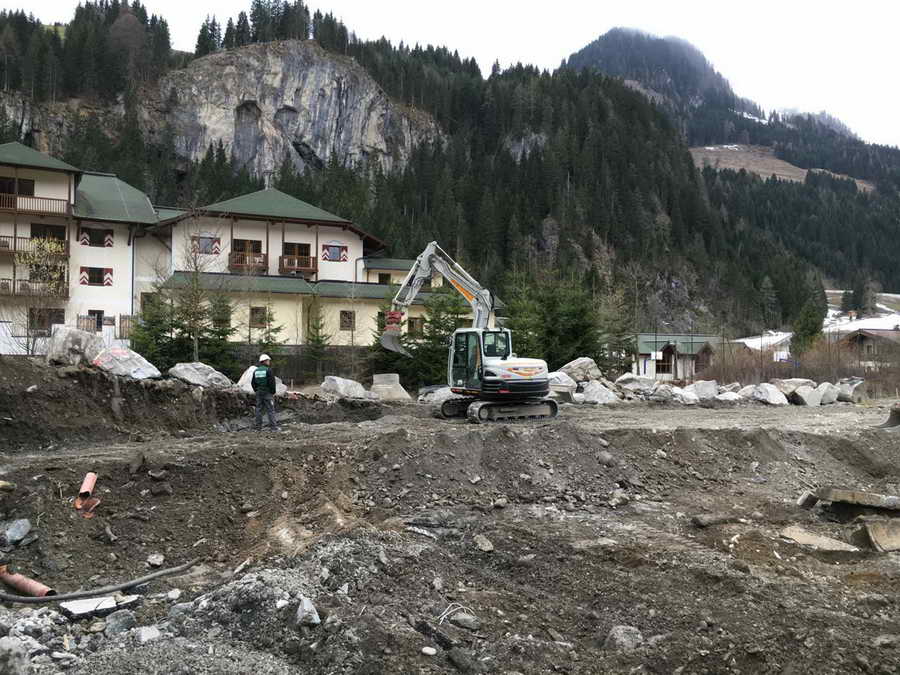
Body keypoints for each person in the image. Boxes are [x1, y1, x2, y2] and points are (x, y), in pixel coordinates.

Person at [251, 354, 279, 431]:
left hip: (259, 393)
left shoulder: (256, 371)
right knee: (270, 410)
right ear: (265, 361)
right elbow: (272, 383)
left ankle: (258, 427)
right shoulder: (268, 370)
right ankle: (273, 428)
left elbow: (253, 383)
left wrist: (256, 390)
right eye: (268, 361)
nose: (269, 362)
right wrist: (273, 392)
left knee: (258, 410)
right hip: (267, 393)